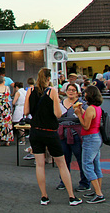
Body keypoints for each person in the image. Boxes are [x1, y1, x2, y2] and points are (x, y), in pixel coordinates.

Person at [24, 67, 82, 206]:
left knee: (39, 164)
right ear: (49, 78)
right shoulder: (52, 91)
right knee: (61, 164)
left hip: (35, 130)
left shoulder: (30, 90)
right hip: (50, 131)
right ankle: (71, 197)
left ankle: (44, 196)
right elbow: (57, 113)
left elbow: (26, 111)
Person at [56, 83, 90, 192]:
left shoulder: (82, 104)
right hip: (62, 133)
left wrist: (80, 111)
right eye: (69, 90)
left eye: (73, 90)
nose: (71, 92)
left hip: (76, 134)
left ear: (77, 92)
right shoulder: (60, 103)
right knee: (64, 160)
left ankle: (84, 182)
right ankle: (64, 181)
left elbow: (87, 116)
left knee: (80, 158)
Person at [74, 85, 105, 204]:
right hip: (96, 137)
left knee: (87, 165)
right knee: (96, 164)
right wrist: (81, 111)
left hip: (90, 138)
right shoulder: (96, 108)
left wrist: (78, 114)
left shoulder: (91, 108)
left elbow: (86, 125)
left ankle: (99, 193)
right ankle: (97, 189)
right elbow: (89, 119)